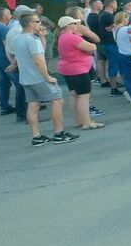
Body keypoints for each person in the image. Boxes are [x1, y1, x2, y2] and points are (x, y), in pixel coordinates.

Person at [10, 14, 79, 147]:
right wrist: (47, 77)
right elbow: (38, 60)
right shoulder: (31, 40)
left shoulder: (18, 39)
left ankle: (36, 137)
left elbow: (36, 52)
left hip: (26, 78)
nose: (40, 24)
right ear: (30, 24)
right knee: (57, 100)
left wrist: (42, 37)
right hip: (39, 77)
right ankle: (59, 133)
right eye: (38, 21)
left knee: (33, 104)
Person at [54, 15, 103, 131]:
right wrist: (91, 44)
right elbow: (91, 47)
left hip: (68, 68)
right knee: (84, 96)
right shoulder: (71, 37)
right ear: (68, 26)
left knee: (74, 94)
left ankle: (78, 120)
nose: (77, 26)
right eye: (75, 24)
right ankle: (87, 122)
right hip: (78, 69)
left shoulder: (62, 36)